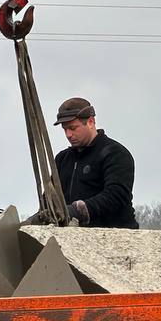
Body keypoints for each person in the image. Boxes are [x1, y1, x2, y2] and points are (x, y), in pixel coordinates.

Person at [53, 97, 138, 228]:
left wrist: (77, 211)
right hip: (72, 240)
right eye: (65, 129)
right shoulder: (62, 160)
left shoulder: (115, 154)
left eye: (73, 128)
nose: (68, 134)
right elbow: (51, 198)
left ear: (91, 122)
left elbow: (116, 195)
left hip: (115, 238)